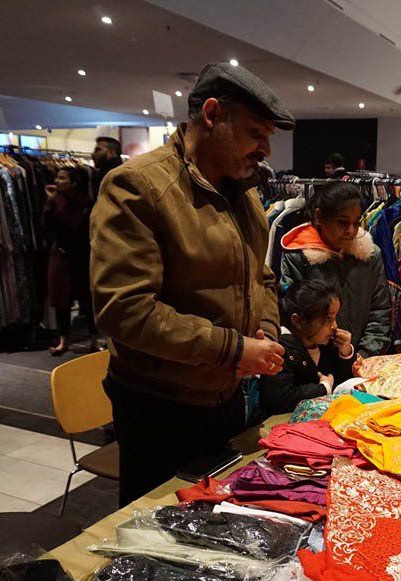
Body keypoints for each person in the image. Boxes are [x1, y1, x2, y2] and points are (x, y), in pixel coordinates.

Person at [90, 62, 294, 505]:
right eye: (257, 134)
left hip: (225, 396)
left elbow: (262, 276)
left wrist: (267, 337)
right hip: (158, 407)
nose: (265, 150)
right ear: (213, 114)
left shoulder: (245, 194)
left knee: (215, 528)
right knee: (153, 538)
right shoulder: (137, 186)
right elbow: (125, 310)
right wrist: (236, 349)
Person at [280, 181, 392, 361]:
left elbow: (380, 311)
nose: (351, 231)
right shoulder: (299, 256)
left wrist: (363, 355)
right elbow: (293, 317)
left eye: (356, 223)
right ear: (318, 217)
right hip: (313, 366)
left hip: (360, 360)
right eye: (342, 222)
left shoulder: (370, 255)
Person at [260, 280, 356, 415]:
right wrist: (323, 389)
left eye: (335, 317)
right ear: (298, 321)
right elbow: (280, 400)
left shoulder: (326, 344)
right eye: (328, 319)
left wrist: (345, 353)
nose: (335, 326)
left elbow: (342, 381)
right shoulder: (279, 349)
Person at [42, 167, 94, 356]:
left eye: (62, 178)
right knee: (60, 299)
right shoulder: (54, 201)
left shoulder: (85, 202)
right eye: (57, 177)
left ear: (73, 182)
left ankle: (94, 339)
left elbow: (73, 226)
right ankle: (63, 340)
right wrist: (50, 203)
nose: (57, 181)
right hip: (60, 254)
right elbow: (46, 226)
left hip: (81, 255)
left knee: (87, 299)